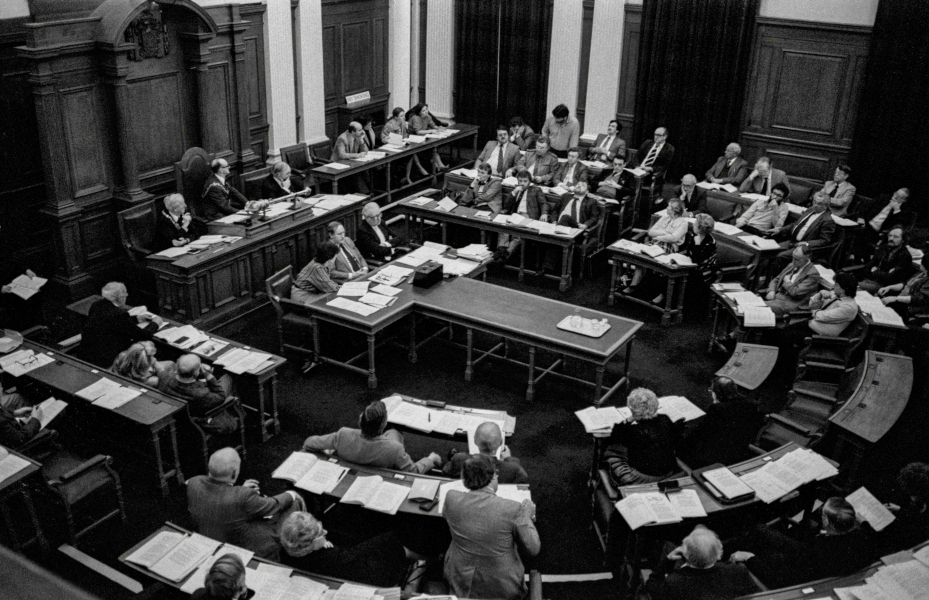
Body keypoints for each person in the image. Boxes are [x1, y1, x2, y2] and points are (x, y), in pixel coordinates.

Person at [443, 454, 540, 600]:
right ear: (493, 476)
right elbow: (533, 549)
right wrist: (526, 517)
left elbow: (446, 515)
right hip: (503, 588)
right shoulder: (513, 509)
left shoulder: (451, 497)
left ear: (463, 479)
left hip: (459, 580)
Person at [187, 448, 304, 560]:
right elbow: (273, 504)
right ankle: (294, 547)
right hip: (242, 546)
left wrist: (238, 490)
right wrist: (291, 494)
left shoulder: (193, 482)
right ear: (234, 473)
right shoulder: (243, 497)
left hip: (211, 536)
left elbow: (217, 495)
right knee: (294, 503)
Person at [730, 497, 873, 588]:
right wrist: (864, 522)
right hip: (812, 558)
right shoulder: (863, 538)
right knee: (764, 532)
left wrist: (749, 558)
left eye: (822, 514)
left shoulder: (816, 553)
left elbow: (778, 581)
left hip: (795, 571)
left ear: (826, 521)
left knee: (762, 542)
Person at [279, 511, 419, 587]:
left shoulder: (285, 553)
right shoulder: (332, 557)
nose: (325, 532)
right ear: (311, 544)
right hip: (361, 578)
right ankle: (419, 566)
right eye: (321, 533)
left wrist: (321, 543)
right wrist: (385, 539)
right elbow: (353, 554)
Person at [302, 399, 442, 473]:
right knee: (395, 433)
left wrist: (328, 452)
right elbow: (413, 471)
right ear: (382, 425)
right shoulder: (394, 449)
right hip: (383, 463)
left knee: (393, 433)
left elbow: (309, 443)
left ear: (360, 420)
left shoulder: (343, 434)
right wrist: (430, 459)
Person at [646, 525, 758, 600]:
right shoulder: (737, 571)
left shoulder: (674, 581)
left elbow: (651, 584)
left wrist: (667, 560)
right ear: (719, 554)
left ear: (685, 554)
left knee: (667, 545)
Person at [601, 388, 681, 485]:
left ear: (632, 410)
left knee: (611, 451)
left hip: (643, 478)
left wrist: (628, 420)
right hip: (669, 471)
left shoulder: (633, 431)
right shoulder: (665, 418)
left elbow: (615, 435)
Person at [679, 377, 762, 470]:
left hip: (716, 458)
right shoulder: (750, 406)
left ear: (717, 393)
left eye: (711, 390)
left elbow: (700, 433)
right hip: (739, 452)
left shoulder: (717, 410)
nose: (710, 392)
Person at [78, 282, 162, 368]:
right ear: (119, 297)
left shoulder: (97, 305)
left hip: (88, 353)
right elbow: (143, 335)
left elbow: (111, 322)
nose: (127, 294)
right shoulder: (119, 314)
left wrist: (137, 319)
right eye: (125, 292)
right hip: (107, 359)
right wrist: (156, 323)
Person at [623, 199, 689, 297]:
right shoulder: (664, 218)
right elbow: (651, 232)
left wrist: (659, 236)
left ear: (675, 210)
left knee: (656, 260)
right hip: (655, 242)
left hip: (669, 246)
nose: (666, 208)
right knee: (641, 255)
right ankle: (634, 284)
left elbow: (673, 238)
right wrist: (665, 233)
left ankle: (652, 290)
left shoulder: (683, 223)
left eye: (669, 206)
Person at [442, 422, 529, 484]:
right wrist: (509, 459)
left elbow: (445, 471)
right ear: (501, 442)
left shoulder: (459, 458)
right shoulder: (513, 468)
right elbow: (523, 479)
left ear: (475, 441)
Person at [494, 169, 550, 263]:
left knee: (517, 233)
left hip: (527, 216)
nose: (522, 183)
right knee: (503, 228)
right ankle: (501, 250)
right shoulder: (516, 189)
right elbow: (507, 205)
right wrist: (514, 192)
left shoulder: (536, 190)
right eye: (520, 181)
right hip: (515, 215)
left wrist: (544, 213)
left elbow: (544, 203)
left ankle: (507, 253)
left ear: (529, 181)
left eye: (525, 181)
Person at [772, 192, 836, 269]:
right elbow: (795, 224)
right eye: (814, 202)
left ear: (826, 206)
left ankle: (778, 278)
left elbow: (824, 240)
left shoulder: (827, 220)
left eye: (819, 204)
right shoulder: (810, 210)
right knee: (771, 249)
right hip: (792, 242)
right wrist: (780, 230)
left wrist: (806, 243)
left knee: (780, 256)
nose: (815, 205)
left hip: (804, 249)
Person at [878, 462, 929, 553]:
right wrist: (899, 509)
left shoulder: (910, 518)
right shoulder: (922, 501)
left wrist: (864, 523)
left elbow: (886, 539)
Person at [157, 354, 228, 417]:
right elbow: (221, 396)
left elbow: (162, 372)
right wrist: (207, 374)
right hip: (200, 415)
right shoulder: (202, 393)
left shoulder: (164, 377)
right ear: (196, 373)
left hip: (177, 414)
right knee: (227, 377)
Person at [764, 244, 820, 316]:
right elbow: (776, 279)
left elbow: (796, 293)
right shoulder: (792, 265)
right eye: (793, 258)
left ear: (806, 260)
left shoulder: (813, 274)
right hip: (777, 298)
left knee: (757, 307)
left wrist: (787, 281)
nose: (793, 261)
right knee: (752, 304)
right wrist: (771, 290)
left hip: (790, 304)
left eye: (796, 259)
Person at [854, 227, 914, 293]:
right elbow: (868, 267)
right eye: (890, 236)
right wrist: (882, 273)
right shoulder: (883, 248)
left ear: (903, 240)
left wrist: (875, 271)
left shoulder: (905, 256)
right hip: (868, 280)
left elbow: (891, 278)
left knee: (851, 286)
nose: (891, 239)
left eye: (896, 237)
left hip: (883, 286)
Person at [382, 106, 428, 184]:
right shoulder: (389, 125)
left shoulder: (403, 123)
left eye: (403, 115)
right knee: (410, 154)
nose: (403, 118)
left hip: (401, 146)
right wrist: (392, 140)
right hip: (392, 149)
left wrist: (407, 139)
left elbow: (405, 135)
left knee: (411, 152)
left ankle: (407, 177)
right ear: (395, 117)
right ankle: (408, 175)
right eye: (401, 116)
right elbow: (384, 139)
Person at [877, 253, 929, 321]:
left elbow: (918, 299)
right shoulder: (921, 273)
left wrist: (895, 298)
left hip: (908, 309)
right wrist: (889, 287)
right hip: (900, 301)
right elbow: (905, 284)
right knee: (878, 300)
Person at [806, 271, 859, 336]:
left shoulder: (848, 307)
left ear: (843, 290)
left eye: (836, 285)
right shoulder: (835, 295)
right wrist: (820, 294)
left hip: (818, 336)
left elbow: (821, 317)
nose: (833, 287)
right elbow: (811, 305)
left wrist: (814, 311)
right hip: (809, 324)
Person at [332, 122, 371, 194]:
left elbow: (366, 152)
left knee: (364, 170)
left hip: (350, 162)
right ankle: (364, 194)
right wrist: (357, 155)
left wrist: (362, 140)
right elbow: (342, 155)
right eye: (359, 130)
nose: (362, 132)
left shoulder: (358, 137)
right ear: (353, 132)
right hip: (339, 163)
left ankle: (366, 192)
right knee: (357, 173)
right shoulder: (342, 138)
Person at [406, 104, 448, 170]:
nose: (426, 112)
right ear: (419, 112)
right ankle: (438, 166)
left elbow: (433, 125)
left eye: (426, 109)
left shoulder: (428, 116)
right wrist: (431, 131)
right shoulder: (415, 118)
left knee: (433, 147)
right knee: (431, 148)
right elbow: (418, 132)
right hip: (413, 139)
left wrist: (439, 128)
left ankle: (440, 166)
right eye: (423, 111)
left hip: (423, 137)